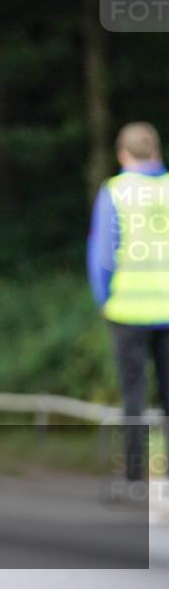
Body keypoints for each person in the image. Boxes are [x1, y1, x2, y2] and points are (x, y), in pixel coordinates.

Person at [87, 121, 169, 482]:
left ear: (123, 154)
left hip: (128, 310)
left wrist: (104, 299)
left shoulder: (115, 191)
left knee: (133, 394)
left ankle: (134, 473)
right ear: (157, 151)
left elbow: (103, 254)